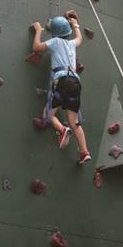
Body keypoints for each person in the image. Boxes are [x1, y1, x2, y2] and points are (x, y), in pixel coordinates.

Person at [31, 16, 91, 165]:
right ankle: (84, 152)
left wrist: (38, 31)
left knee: (49, 115)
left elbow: (36, 48)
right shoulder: (71, 44)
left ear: (55, 34)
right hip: (75, 83)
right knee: (74, 121)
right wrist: (75, 24)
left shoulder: (55, 42)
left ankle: (61, 129)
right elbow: (79, 39)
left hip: (61, 80)